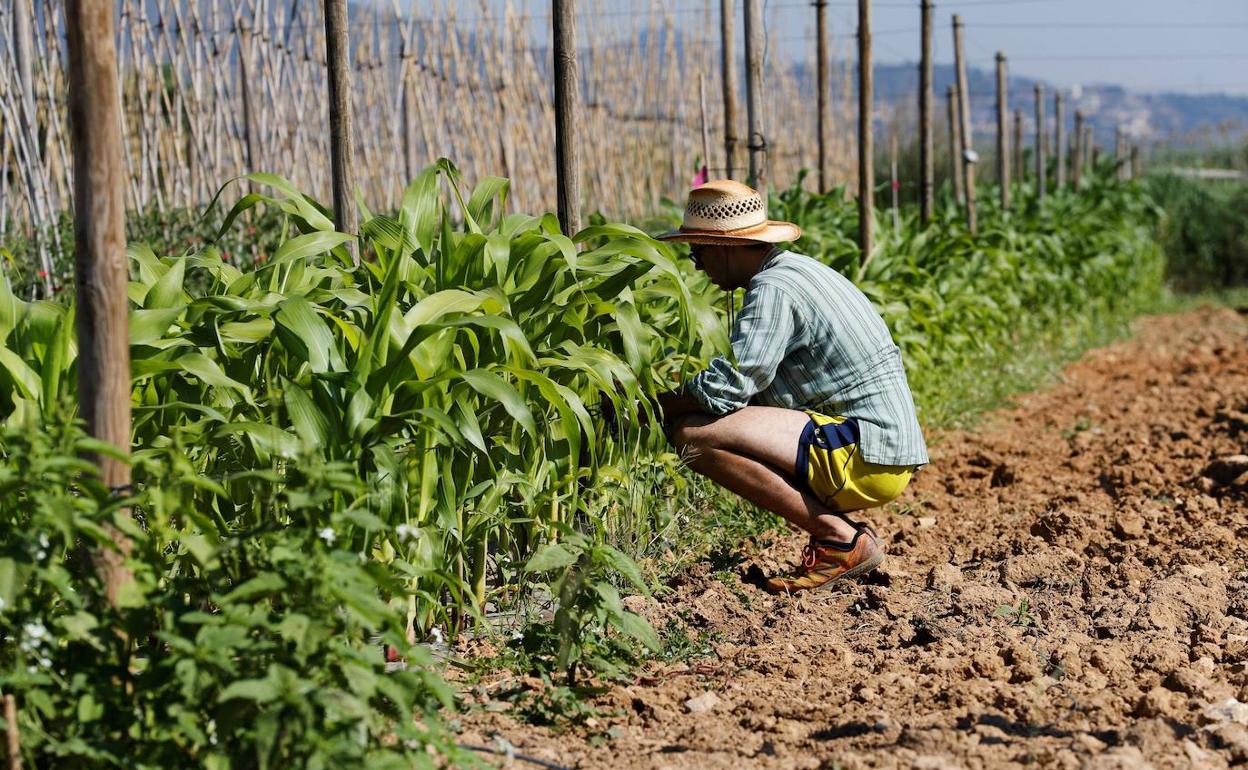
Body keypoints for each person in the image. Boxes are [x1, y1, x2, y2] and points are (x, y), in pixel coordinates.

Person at [654, 179, 928, 594]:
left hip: (867, 456)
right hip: (880, 446)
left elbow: (733, 387)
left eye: (698, 252)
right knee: (700, 423)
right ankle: (840, 536)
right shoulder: (799, 271)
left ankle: (839, 539)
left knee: (693, 434)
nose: (696, 265)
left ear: (724, 247)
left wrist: (654, 406)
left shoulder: (774, 288)